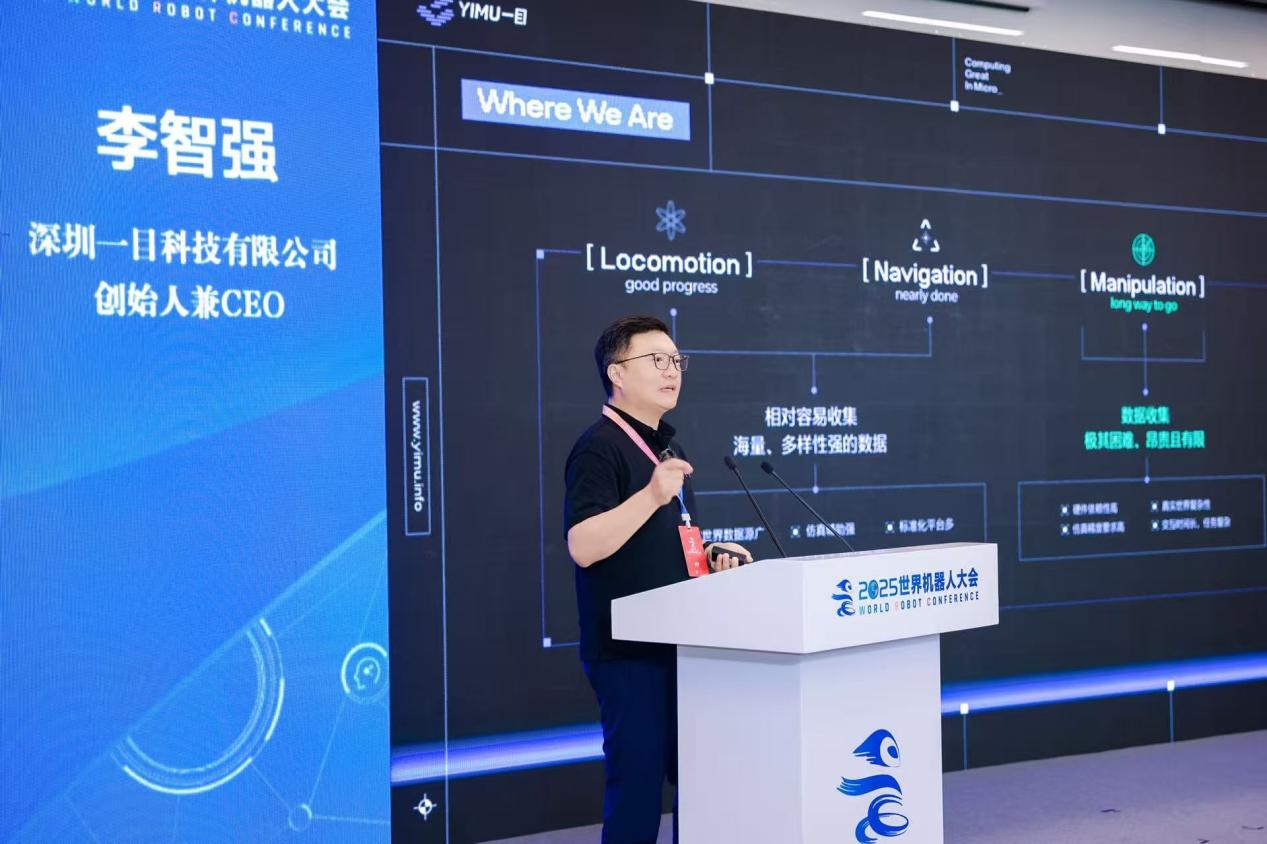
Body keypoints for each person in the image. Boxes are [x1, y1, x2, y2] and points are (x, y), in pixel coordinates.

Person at [564, 315, 752, 844]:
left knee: (698, 785)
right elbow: (583, 545)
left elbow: (668, 540)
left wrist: (712, 554)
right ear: (617, 373)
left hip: (680, 644)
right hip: (628, 653)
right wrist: (650, 495)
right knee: (638, 793)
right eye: (656, 360)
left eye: (676, 361)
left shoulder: (668, 449)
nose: (672, 371)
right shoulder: (599, 447)